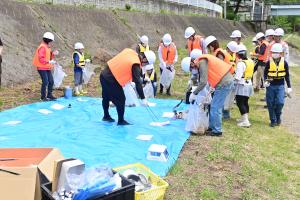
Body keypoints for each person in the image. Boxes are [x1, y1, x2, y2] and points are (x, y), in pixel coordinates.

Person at [181, 54, 234, 136]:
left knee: (215, 107)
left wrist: (194, 93)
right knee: (214, 105)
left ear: (192, 63)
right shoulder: (201, 62)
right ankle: (212, 127)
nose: (192, 70)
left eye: (191, 68)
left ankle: (217, 131)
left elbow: (203, 82)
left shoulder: (202, 62)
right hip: (223, 82)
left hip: (224, 83)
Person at [100, 49, 156, 125]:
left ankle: (106, 116)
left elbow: (128, 69)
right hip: (112, 79)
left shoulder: (131, 52)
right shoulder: (135, 64)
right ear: (144, 59)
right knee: (121, 99)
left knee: (106, 96)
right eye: (146, 64)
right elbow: (137, 83)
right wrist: (143, 98)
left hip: (104, 74)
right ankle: (121, 121)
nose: (145, 65)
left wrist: (141, 79)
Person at [205, 35, 233, 119]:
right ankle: (222, 115)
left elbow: (219, 67)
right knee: (221, 101)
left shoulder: (219, 53)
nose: (209, 50)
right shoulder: (218, 51)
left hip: (224, 79)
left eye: (208, 48)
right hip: (226, 77)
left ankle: (222, 116)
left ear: (211, 46)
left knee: (218, 102)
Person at [264, 43, 292, 127]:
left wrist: (289, 86)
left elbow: (286, 75)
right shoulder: (269, 62)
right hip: (270, 85)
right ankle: (273, 120)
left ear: (280, 53)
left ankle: (278, 116)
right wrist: (266, 81)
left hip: (280, 85)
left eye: (276, 52)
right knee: (270, 103)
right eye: (273, 52)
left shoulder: (284, 63)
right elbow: (265, 73)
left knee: (280, 102)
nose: (274, 54)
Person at [32, 32, 59, 101]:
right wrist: (49, 61)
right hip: (41, 68)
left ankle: (49, 95)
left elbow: (49, 56)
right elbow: (41, 58)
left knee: (51, 81)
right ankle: (43, 97)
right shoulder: (42, 47)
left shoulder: (47, 47)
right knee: (45, 82)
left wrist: (53, 53)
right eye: (51, 41)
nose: (51, 42)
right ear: (47, 40)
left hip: (47, 67)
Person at [234, 44, 254, 127]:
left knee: (240, 103)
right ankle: (245, 118)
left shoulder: (241, 63)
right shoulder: (250, 61)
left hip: (242, 85)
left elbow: (238, 77)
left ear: (238, 54)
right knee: (245, 102)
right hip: (249, 84)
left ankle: (245, 121)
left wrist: (233, 81)